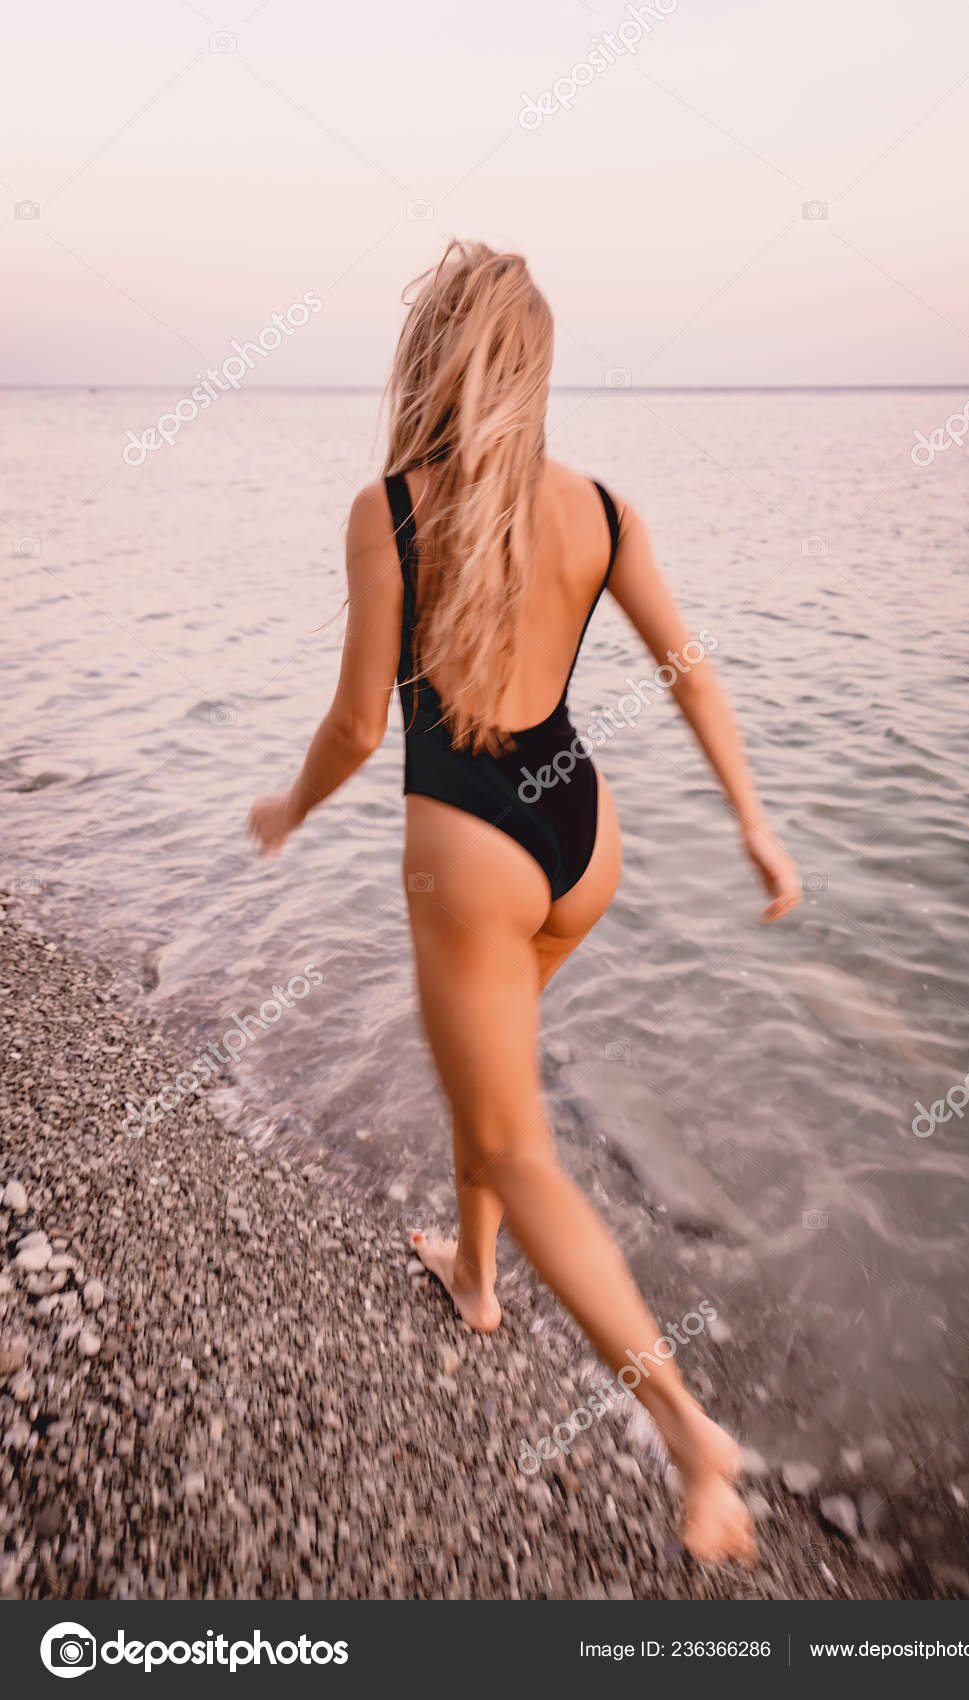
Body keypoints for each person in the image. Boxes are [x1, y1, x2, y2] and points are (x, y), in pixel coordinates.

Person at [247, 240, 801, 1564]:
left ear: (433, 357)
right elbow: (690, 670)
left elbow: (358, 726)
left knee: (518, 1141)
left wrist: (289, 808)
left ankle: (690, 1433)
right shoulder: (601, 508)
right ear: (533, 370)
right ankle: (476, 1279)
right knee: (490, 1081)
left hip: (470, 855)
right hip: (580, 835)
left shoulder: (389, 510)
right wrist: (754, 821)